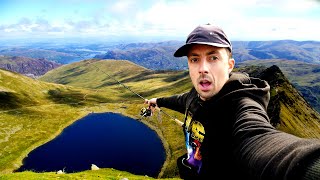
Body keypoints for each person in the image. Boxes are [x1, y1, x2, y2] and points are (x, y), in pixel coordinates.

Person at [144, 23, 320, 179]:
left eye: (213, 58)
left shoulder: (243, 104)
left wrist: (307, 167)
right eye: (195, 59)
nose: (202, 69)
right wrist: (157, 101)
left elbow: (258, 137)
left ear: (229, 65)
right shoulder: (194, 96)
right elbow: (181, 100)